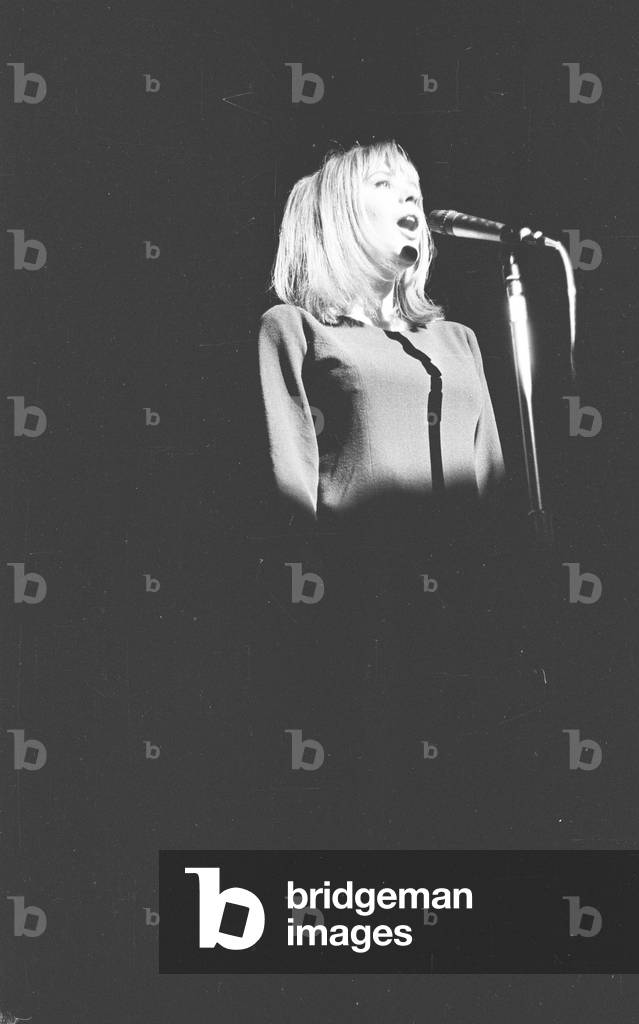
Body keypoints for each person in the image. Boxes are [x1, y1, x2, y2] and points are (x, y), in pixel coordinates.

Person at [254, 138, 508, 669]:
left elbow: (494, 489)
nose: (410, 201)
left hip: (470, 619)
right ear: (338, 213)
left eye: (414, 192)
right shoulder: (295, 329)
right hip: (363, 618)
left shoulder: (458, 341)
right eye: (385, 186)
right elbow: (288, 491)